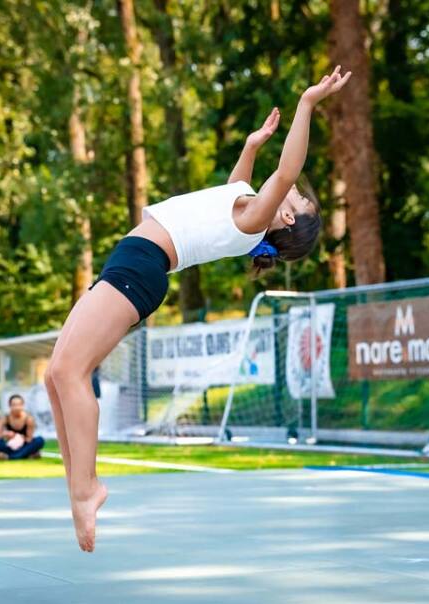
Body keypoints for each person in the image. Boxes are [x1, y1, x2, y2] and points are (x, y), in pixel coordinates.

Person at [44, 66, 351, 551]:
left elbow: (287, 171)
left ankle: (87, 490)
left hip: (142, 268)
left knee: (69, 373)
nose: (287, 187)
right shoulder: (243, 207)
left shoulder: (255, 220)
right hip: (130, 261)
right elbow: (228, 191)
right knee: (54, 376)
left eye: (292, 197)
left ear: (286, 216)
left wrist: (307, 103)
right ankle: (77, 484)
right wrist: (250, 146)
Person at [0, 394, 45, 460]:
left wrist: (19, 437)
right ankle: (26, 455)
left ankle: (10, 457)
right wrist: (6, 434)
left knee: (39, 440)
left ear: (22, 405)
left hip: (24, 445)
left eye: (19, 405)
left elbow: (29, 439)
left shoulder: (28, 419)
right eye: (14, 405)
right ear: (10, 406)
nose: (17, 407)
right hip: (10, 445)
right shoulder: (5, 418)